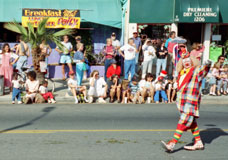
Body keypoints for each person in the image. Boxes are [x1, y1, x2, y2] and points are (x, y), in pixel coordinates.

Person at [161, 52, 212, 152]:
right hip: (183, 102)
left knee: (183, 122)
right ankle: (198, 142)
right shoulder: (181, 73)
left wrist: (207, 64)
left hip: (191, 101)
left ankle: (172, 143)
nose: (186, 62)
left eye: (188, 60)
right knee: (192, 122)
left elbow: (203, 70)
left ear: (192, 61)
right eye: (184, 61)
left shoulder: (195, 70)